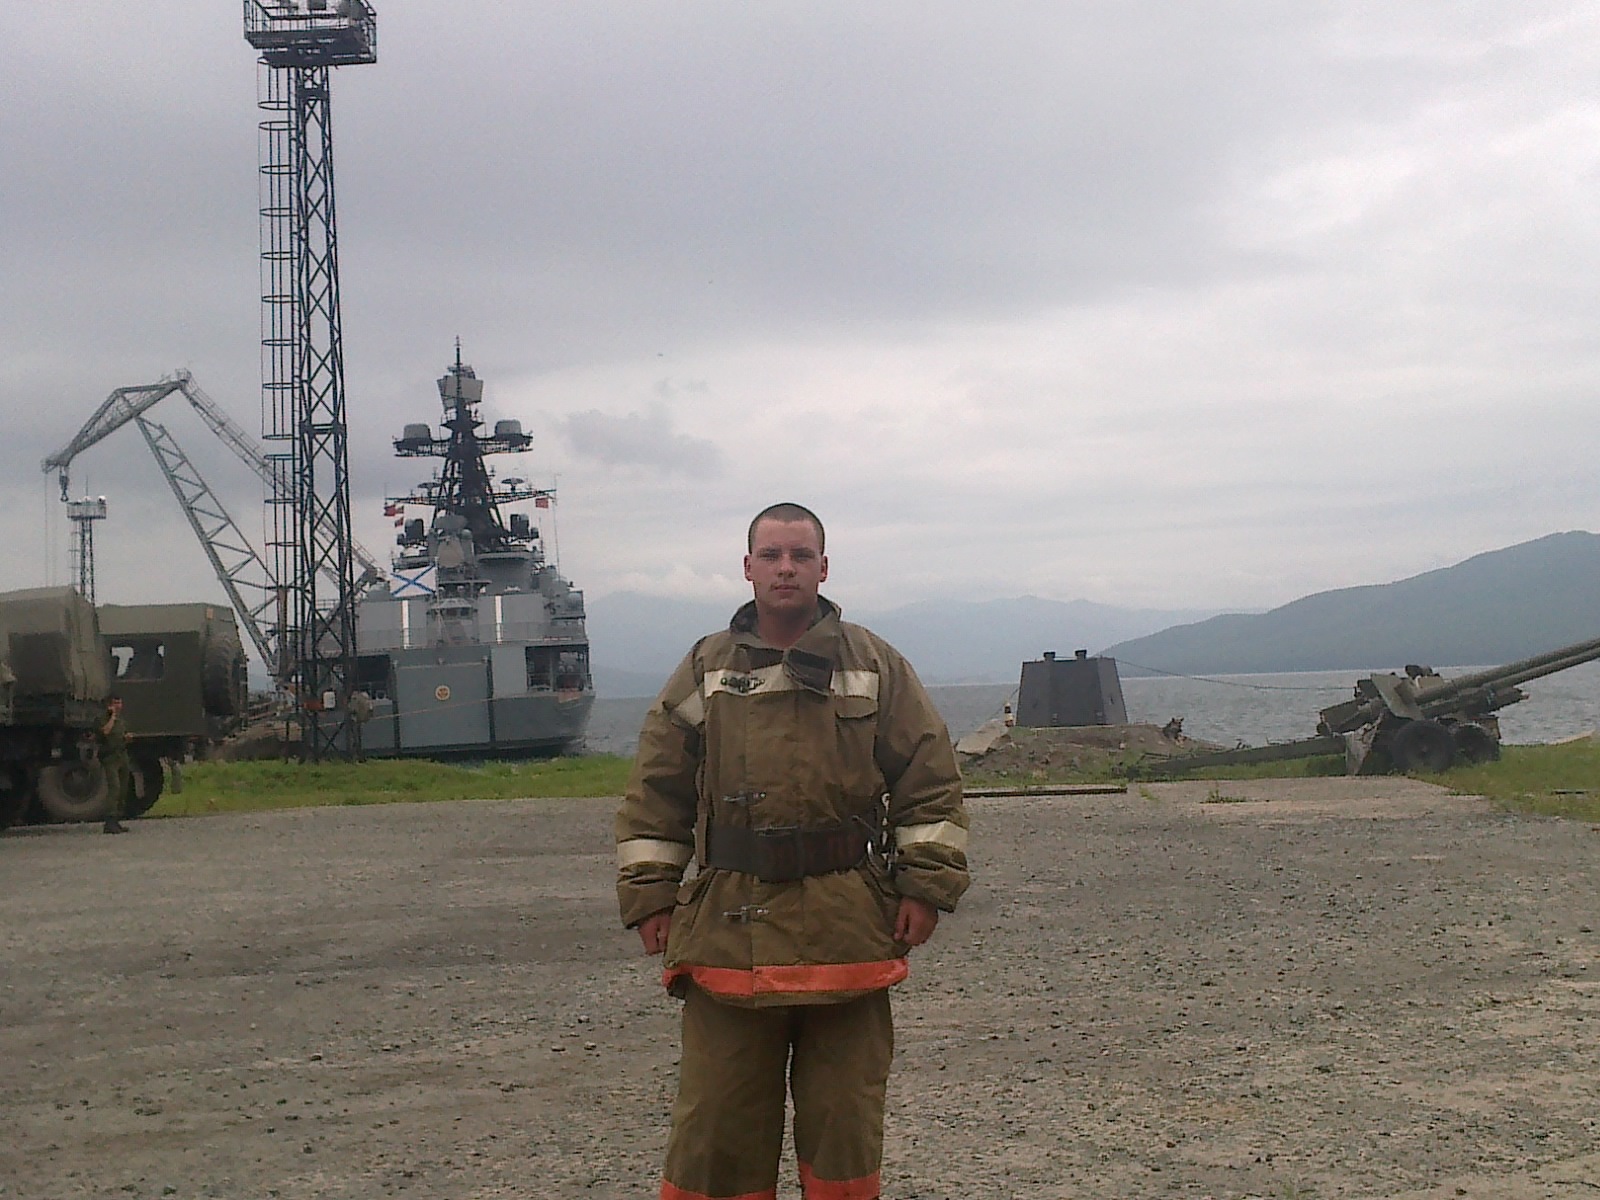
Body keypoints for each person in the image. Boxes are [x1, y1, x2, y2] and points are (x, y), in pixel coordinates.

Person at [615, 502, 970, 1200]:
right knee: (716, 1131)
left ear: (823, 568)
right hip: (727, 933)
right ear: (748, 568)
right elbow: (657, 788)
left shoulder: (875, 664)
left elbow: (929, 779)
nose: (786, 569)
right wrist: (651, 894)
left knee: (845, 1132)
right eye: (772, 556)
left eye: (800, 556)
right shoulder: (707, 666)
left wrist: (926, 886)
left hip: (846, 932)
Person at [99, 695, 130, 835]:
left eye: (120, 703)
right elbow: (105, 731)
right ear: (109, 705)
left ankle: (117, 819)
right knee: (114, 788)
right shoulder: (103, 719)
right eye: (115, 703)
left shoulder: (121, 721)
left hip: (122, 756)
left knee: (123, 788)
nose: (118, 706)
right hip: (110, 758)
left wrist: (127, 738)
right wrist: (112, 716)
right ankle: (109, 822)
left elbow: (120, 736)